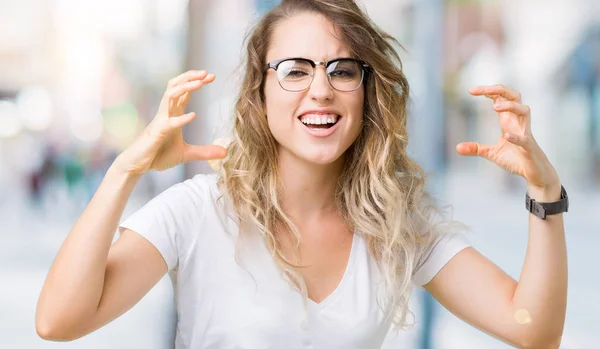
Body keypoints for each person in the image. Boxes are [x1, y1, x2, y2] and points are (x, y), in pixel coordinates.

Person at [35, 1, 568, 348]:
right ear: (259, 95)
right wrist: (125, 169)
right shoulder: (198, 211)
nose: (321, 89)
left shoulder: (398, 223)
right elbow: (59, 321)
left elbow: (533, 328)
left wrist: (545, 194)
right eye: (294, 70)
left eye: (342, 69)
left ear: (367, 92)